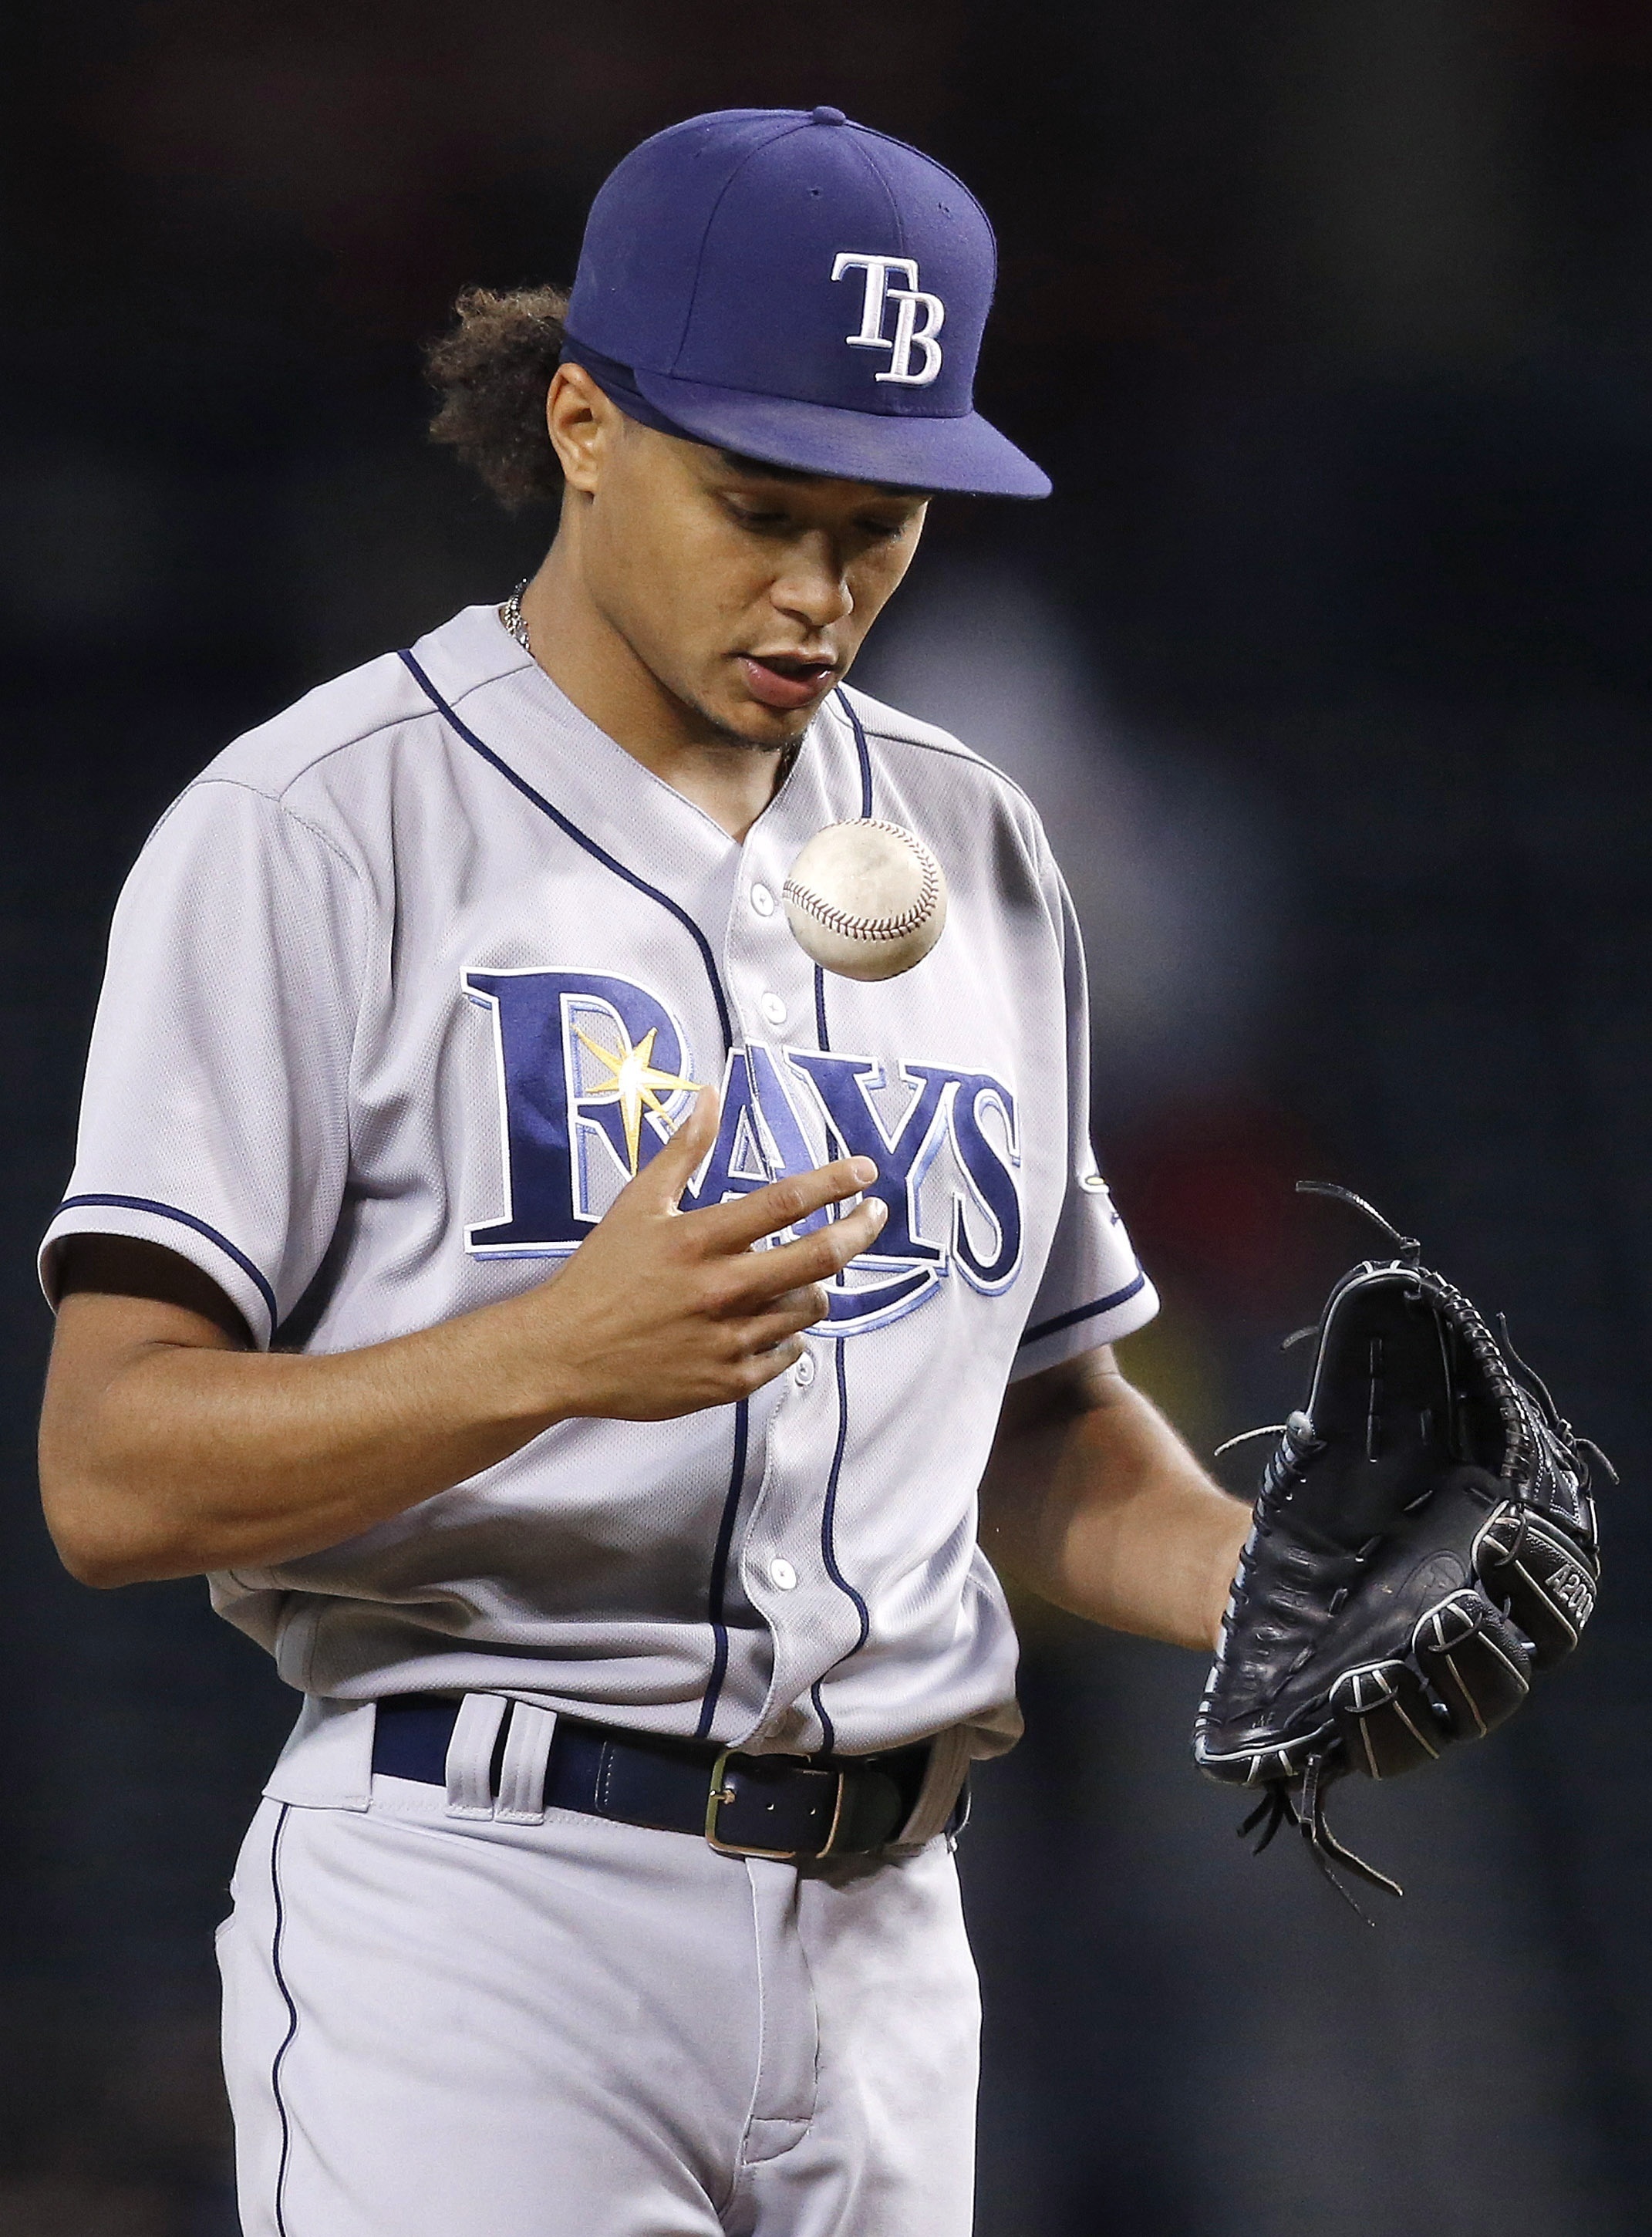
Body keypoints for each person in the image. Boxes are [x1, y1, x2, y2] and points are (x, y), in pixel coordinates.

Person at [36, 106, 1249, 2237]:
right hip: (485, 1907)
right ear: (581, 422)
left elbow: (1043, 1434)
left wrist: (1265, 1588)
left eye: (880, 528)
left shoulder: (982, 845)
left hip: (892, 1943)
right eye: (758, 507)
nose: (819, 590)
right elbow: (109, 1470)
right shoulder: (318, 825)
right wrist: (552, 1351)